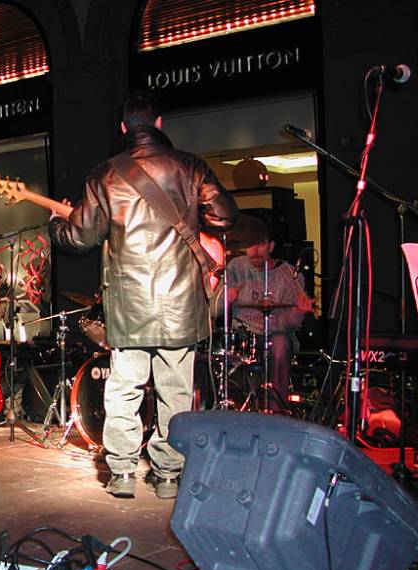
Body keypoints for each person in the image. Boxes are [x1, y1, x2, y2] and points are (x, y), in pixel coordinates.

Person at [49, 91, 238, 499]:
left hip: (130, 304)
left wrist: (54, 224)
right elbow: (224, 214)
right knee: (176, 392)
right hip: (180, 304)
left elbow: (79, 237)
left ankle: (121, 473)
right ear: (159, 123)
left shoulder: (105, 174)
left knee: (124, 388)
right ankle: (168, 475)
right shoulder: (190, 166)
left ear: (123, 128)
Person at [226, 225, 313, 411]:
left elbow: (289, 326)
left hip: (274, 335)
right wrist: (225, 299)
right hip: (242, 336)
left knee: (280, 343)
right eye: (250, 245)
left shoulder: (291, 275)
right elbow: (214, 308)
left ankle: (276, 410)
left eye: (260, 244)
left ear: (271, 246)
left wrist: (298, 311)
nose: (255, 250)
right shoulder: (235, 267)